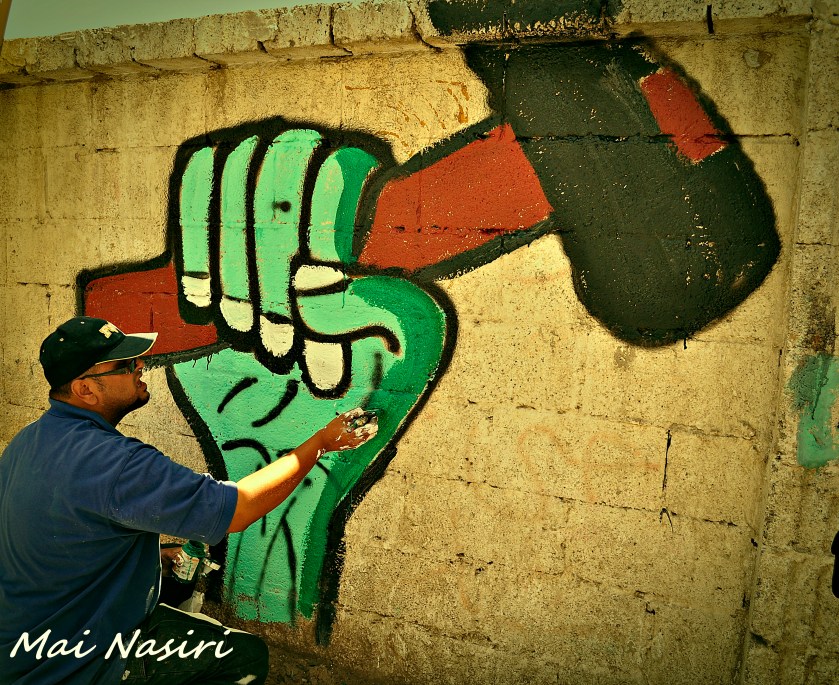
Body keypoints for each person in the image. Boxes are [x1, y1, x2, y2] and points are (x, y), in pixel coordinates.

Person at [0, 316, 378, 684]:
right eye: (125, 365)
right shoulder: (117, 462)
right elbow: (240, 507)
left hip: (22, 649)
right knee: (243, 658)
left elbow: (58, 535)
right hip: (77, 662)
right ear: (85, 389)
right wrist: (321, 443)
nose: (140, 366)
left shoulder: (27, 442)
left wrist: (149, 555)